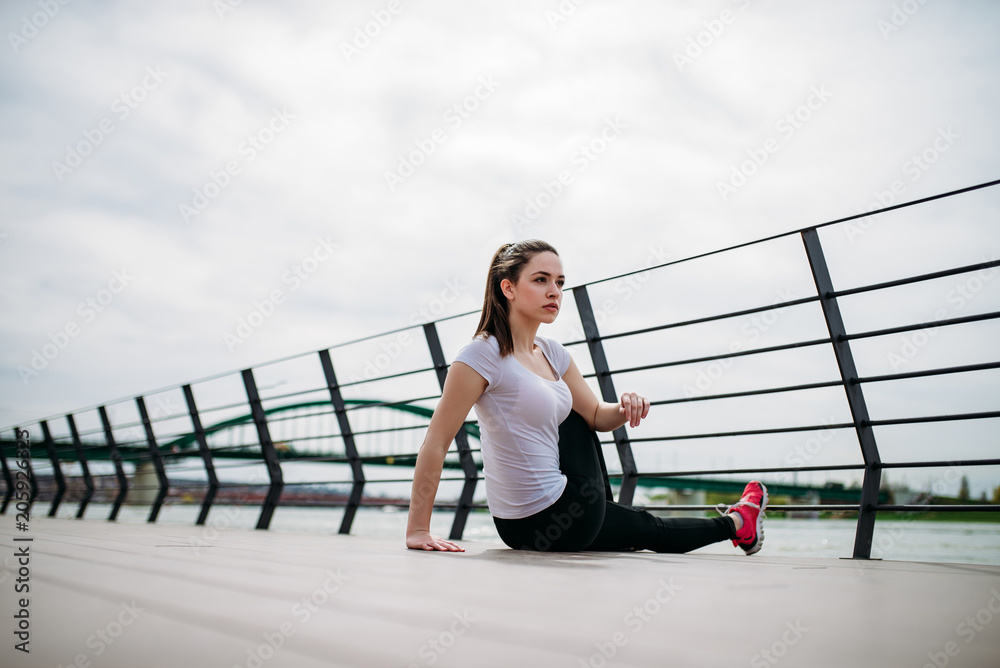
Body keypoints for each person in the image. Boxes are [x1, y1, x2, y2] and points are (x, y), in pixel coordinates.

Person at [405, 240, 767, 554]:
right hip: (536, 518)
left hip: (540, 524)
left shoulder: (553, 353)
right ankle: (620, 512)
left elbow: (599, 415)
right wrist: (418, 530)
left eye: (560, 283)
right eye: (541, 280)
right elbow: (436, 441)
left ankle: (738, 524)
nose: (555, 292)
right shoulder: (481, 355)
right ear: (508, 288)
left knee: (645, 527)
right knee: (572, 413)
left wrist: (624, 408)